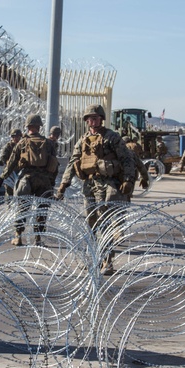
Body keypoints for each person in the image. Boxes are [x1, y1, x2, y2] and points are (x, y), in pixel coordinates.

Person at [55, 103, 136, 275]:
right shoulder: (83, 140)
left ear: (101, 119)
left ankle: (108, 261)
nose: (92, 121)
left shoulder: (112, 138)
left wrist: (128, 179)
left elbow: (127, 160)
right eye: (89, 119)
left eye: (95, 118)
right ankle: (94, 258)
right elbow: (72, 163)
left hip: (107, 185)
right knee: (92, 224)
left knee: (104, 222)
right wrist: (63, 184)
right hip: (89, 186)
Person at [0, 113, 59, 246]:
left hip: (26, 179)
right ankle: (38, 239)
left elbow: (11, 163)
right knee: (42, 210)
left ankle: (18, 236)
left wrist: (1, 179)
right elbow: (54, 165)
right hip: (44, 180)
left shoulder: (22, 142)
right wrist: (51, 183)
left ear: (28, 127)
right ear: (39, 127)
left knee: (22, 208)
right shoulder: (48, 143)